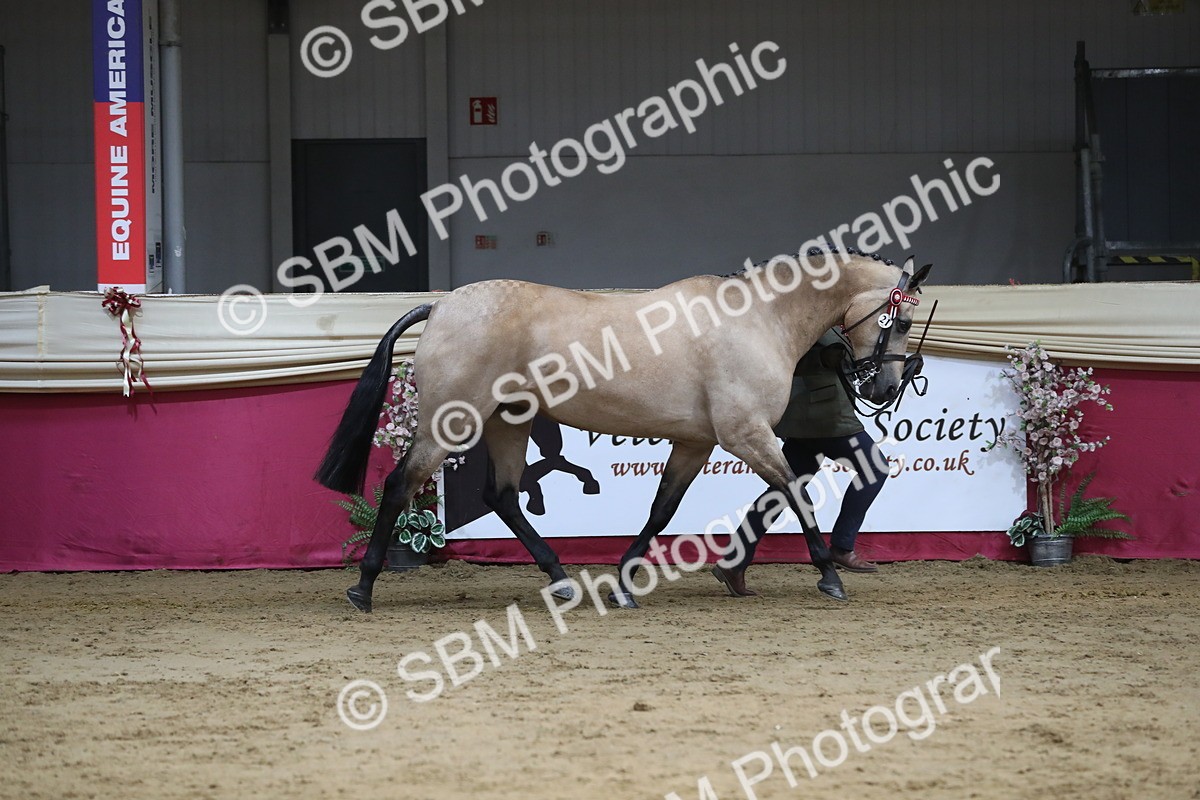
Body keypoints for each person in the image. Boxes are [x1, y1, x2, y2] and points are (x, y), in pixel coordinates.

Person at [712, 328, 890, 597]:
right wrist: (832, 358)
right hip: (823, 416)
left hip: (813, 416)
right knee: (875, 467)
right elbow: (807, 356)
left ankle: (734, 560)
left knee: (783, 490)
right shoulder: (815, 318)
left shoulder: (835, 324)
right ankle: (842, 546)